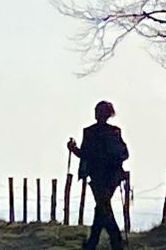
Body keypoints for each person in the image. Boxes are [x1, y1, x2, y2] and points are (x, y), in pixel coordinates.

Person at [67, 100, 129, 250]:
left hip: (99, 176)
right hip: (112, 176)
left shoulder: (90, 132)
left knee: (102, 207)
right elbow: (124, 154)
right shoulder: (114, 132)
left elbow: (85, 154)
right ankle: (106, 242)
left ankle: (103, 242)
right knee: (102, 207)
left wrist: (73, 148)